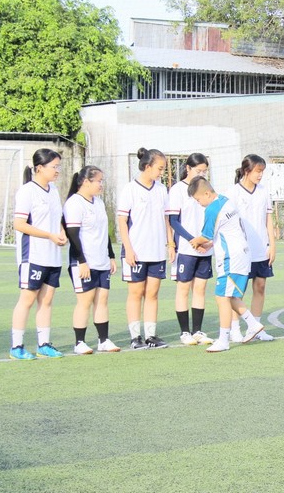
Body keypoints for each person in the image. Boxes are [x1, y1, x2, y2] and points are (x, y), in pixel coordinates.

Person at [187, 177, 265, 352]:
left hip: (231, 258)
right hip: (240, 254)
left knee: (221, 297)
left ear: (207, 194)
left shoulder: (212, 209)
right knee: (230, 296)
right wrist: (209, 244)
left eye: (198, 200)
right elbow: (223, 231)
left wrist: (196, 241)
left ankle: (223, 340)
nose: (199, 204)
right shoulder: (225, 201)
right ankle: (253, 324)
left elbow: (206, 235)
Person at [9, 149, 67, 360]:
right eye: (54, 166)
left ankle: (44, 344)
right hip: (33, 255)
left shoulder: (54, 190)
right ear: (40, 168)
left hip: (53, 255)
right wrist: (49, 235)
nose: (57, 171)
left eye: (59, 166)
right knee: (28, 298)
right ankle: (17, 347)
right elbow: (19, 224)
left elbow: (57, 218)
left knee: (47, 299)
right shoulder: (27, 191)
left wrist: (61, 232)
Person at [117, 147, 173, 350]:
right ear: (148, 166)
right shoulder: (130, 189)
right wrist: (128, 249)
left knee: (152, 293)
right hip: (136, 251)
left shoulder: (161, 189)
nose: (162, 173)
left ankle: (151, 336)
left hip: (156, 251)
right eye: (160, 168)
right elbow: (122, 221)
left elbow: (166, 219)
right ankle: (135, 337)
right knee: (136, 293)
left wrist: (170, 243)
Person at [63, 165, 120, 354]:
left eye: (102, 181)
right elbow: (73, 235)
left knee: (102, 299)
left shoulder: (99, 203)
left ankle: (103, 340)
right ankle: (79, 342)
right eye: (99, 181)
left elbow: (104, 232)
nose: (101, 185)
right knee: (85, 301)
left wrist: (111, 256)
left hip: (101, 260)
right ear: (86, 182)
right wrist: (82, 261)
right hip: (83, 262)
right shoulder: (74, 203)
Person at [227, 154, 277, 342]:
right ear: (246, 171)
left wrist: (272, 245)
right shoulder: (233, 193)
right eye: (258, 171)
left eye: (262, 171)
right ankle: (235, 329)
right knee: (237, 291)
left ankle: (256, 328)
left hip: (261, 248)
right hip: (241, 251)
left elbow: (268, 219)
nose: (260, 175)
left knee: (260, 286)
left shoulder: (263, 191)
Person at [166, 153, 214, 346]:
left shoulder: (207, 189)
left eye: (204, 171)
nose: (201, 174)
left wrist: (206, 241)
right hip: (186, 248)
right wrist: (192, 240)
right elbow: (173, 221)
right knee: (183, 289)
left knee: (200, 289)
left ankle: (198, 331)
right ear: (188, 168)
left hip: (205, 248)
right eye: (198, 170)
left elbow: (212, 217)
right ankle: (184, 332)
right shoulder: (177, 190)